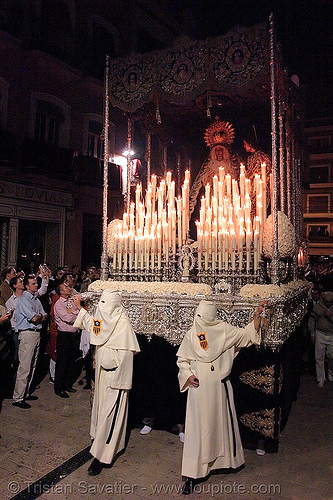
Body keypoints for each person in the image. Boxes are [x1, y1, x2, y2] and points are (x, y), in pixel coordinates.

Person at [177, 299, 266, 495]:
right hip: (198, 390)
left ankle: (224, 462)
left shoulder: (224, 330)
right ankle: (194, 473)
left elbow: (247, 334)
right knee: (198, 430)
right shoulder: (193, 333)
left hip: (218, 388)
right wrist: (188, 375)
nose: (198, 319)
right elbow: (182, 360)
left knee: (220, 426)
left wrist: (257, 316)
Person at [72, 290, 140, 476]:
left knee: (110, 416)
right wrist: (80, 309)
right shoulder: (105, 318)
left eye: (104, 306)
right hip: (102, 376)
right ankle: (99, 446)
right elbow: (94, 324)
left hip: (116, 380)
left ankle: (102, 457)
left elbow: (127, 357)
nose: (101, 311)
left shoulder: (123, 325)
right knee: (102, 413)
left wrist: (118, 382)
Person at [12, 275, 47, 409]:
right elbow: (34, 318)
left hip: (36, 333)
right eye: (33, 284)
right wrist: (37, 317)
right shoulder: (24, 300)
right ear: (27, 286)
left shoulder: (36, 300)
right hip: (27, 334)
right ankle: (18, 397)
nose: (36, 285)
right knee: (25, 367)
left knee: (32, 366)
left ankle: (25, 393)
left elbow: (44, 316)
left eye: (36, 283)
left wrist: (38, 317)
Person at [53, 282, 81, 398]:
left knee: (70, 361)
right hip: (64, 336)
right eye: (66, 288)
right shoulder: (59, 304)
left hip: (72, 335)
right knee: (62, 362)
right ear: (61, 292)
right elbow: (69, 318)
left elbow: (72, 314)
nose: (69, 288)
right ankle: (59, 388)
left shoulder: (69, 302)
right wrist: (78, 313)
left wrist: (76, 314)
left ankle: (67, 384)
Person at [313, 290, 333, 387]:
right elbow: (312, 320)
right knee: (319, 357)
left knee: (331, 356)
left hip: (331, 334)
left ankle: (331, 372)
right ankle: (321, 378)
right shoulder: (318, 307)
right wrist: (312, 333)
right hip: (320, 333)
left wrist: (330, 317)